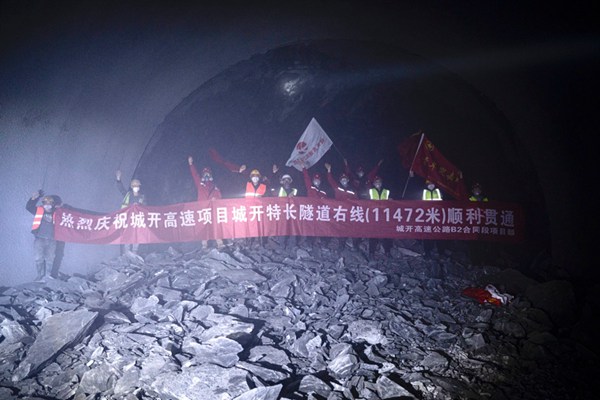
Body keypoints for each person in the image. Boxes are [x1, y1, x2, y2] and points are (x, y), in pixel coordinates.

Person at [188, 156, 224, 250]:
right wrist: (191, 164)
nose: (206, 176)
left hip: (213, 210)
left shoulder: (215, 186)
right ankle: (204, 244)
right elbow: (195, 175)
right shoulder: (200, 184)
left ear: (211, 175)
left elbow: (219, 196)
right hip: (203, 210)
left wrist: (215, 199)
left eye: (208, 174)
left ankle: (220, 243)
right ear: (203, 175)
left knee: (216, 225)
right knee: (204, 226)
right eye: (205, 174)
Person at [26, 191, 59, 281]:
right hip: (40, 239)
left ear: (53, 204)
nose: (47, 205)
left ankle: (48, 276)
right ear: (43, 203)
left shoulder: (57, 213)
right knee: (38, 258)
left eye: (50, 203)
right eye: (45, 203)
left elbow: (67, 216)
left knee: (50, 258)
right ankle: (39, 275)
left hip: (52, 239)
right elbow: (29, 207)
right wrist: (33, 198)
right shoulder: (39, 210)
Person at [325, 162, 358, 250]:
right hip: (341, 213)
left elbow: (357, 201)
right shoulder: (337, 188)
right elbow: (330, 180)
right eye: (342, 179)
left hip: (350, 213)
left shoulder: (352, 189)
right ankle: (341, 246)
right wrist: (329, 170)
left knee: (353, 229)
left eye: (345, 179)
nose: (344, 180)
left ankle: (355, 245)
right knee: (342, 229)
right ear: (340, 181)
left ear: (348, 180)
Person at [116, 169, 145, 255]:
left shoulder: (142, 197)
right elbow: (121, 189)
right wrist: (118, 179)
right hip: (128, 219)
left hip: (137, 219)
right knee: (128, 235)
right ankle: (127, 253)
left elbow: (146, 208)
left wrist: (139, 205)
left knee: (137, 235)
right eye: (134, 186)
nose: (136, 187)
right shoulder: (128, 195)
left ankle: (134, 252)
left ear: (139, 187)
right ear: (132, 187)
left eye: (137, 186)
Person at [368, 176, 393, 257]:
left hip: (384, 215)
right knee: (373, 234)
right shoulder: (370, 191)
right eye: (376, 182)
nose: (378, 183)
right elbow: (366, 202)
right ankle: (371, 252)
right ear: (374, 183)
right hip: (374, 215)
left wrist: (391, 200)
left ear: (381, 183)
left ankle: (387, 251)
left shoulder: (386, 191)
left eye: (379, 182)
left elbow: (391, 201)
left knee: (386, 234)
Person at [468, 182, 491, 265]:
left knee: (482, 245)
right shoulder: (470, 199)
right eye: (475, 189)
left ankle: (483, 261)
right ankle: (474, 261)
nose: (477, 190)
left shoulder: (485, 199)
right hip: (473, 225)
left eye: (478, 189)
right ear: (473, 190)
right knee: (473, 245)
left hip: (483, 225)